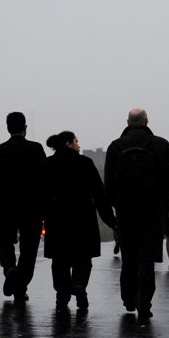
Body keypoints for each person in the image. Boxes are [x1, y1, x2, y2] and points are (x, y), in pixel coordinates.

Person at [104, 107, 169, 324]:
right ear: (146, 121)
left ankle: (128, 298)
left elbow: (108, 185)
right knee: (147, 258)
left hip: (126, 212)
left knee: (129, 257)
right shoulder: (161, 145)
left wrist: (116, 206)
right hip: (152, 211)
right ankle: (144, 302)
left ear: (128, 122)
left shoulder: (115, 146)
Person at [42, 130, 116, 310]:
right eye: (76, 141)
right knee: (82, 257)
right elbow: (99, 194)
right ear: (68, 143)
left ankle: (62, 295)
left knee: (60, 260)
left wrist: (42, 215)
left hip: (57, 218)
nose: (79, 145)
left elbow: (39, 194)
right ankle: (79, 285)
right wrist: (111, 220)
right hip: (82, 217)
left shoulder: (47, 164)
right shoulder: (85, 162)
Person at [0, 112, 46, 302]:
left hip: (5, 207)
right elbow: (45, 179)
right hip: (31, 209)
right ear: (25, 128)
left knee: (5, 242)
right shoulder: (36, 149)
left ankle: (10, 269)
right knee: (29, 249)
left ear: (8, 128)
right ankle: (20, 283)